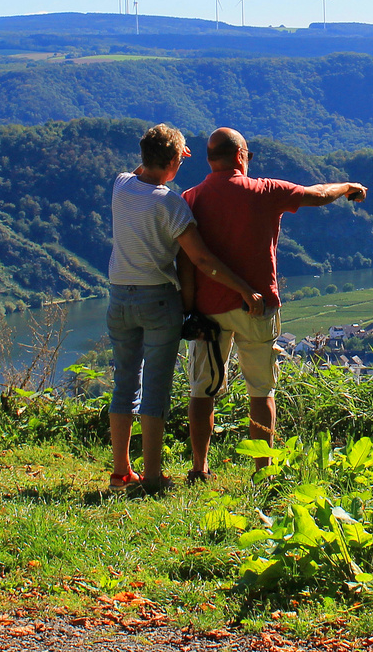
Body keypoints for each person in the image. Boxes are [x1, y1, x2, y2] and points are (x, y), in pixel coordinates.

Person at [181, 127, 367, 479]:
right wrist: (348, 187)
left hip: (208, 310)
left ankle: (199, 467)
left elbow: (187, 259)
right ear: (240, 156)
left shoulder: (190, 198)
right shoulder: (265, 191)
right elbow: (319, 194)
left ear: (210, 160)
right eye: (247, 156)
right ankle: (262, 470)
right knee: (261, 390)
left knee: (202, 390)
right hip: (257, 306)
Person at [106, 123, 264, 490]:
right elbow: (202, 259)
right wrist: (243, 289)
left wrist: (167, 153)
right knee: (156, 387)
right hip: (157, 300)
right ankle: (152, 475)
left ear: (144, 156)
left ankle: (120, 472)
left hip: (118, 297)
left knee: (124, 382)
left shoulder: (120, 185)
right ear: (175, 161)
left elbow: (141, 169)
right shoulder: (171, 204)